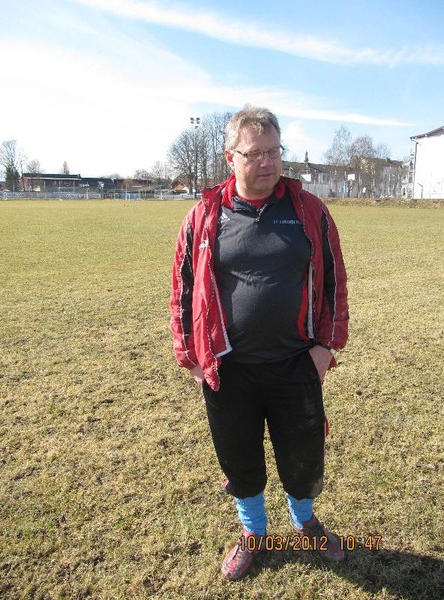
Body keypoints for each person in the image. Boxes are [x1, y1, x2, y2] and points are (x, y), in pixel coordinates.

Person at [170, 105, 349, 581]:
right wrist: (191, 357)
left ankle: (305, 521)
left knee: (304, 457)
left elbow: (334, 280)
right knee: (240, 459)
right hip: (228, 368)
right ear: (230, 157)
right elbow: (183, 291)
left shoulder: (309, 211)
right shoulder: (204, 216)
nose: (267, 162)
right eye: (254, 154)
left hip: (297, 364)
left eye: (274, 151)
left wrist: (326, 347)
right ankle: (253, 532)